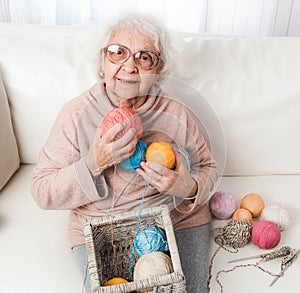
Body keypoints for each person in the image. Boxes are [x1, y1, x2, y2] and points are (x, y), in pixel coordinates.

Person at [31, 14, 218, 293]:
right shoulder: (75, 114)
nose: (129, 66)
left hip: (176, 221)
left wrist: (186, 186)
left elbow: (209, 168)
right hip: (102, 228)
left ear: (158, 68)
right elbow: (41, 191)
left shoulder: (175, 112)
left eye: (144, 58)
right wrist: (94, 162)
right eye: (117, 53)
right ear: (102, 61)